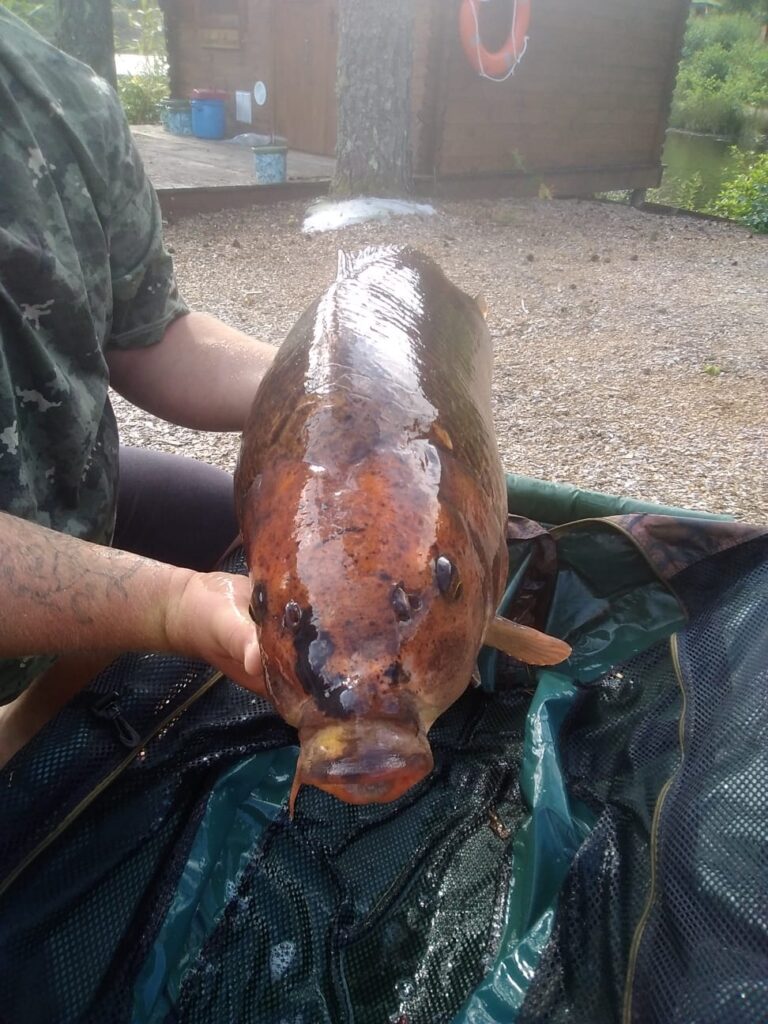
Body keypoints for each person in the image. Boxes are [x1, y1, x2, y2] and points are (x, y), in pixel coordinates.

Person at [0, 6, 272, 759]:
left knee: (231, 526)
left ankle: (27, 726)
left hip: (72, 498)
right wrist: (173, 606)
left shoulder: (60, 95)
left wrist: (319, 381)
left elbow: (151, 334)